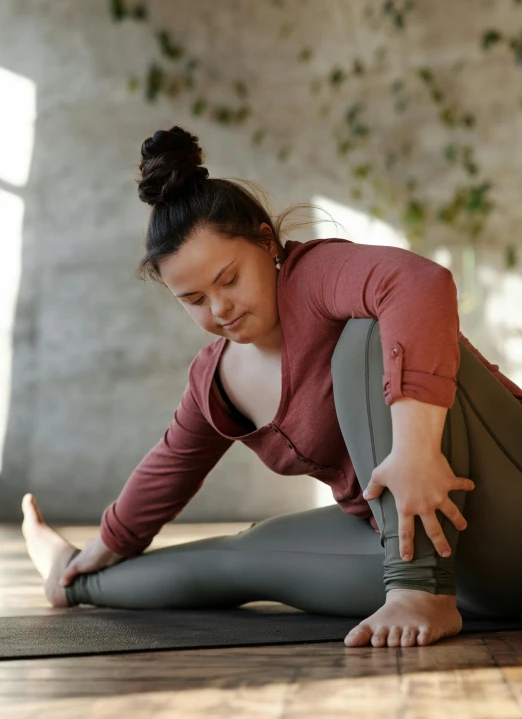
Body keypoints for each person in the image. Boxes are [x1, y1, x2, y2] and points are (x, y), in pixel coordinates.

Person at [21, 125, 522, 648]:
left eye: (230, 279)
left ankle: (419, 589)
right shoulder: (215, 378)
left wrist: (415, 448)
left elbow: (418, 282)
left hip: (504, 506)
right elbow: (169, 466)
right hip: (466, 570)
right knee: (243, 554)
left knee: (366, 333)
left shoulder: (314, 277)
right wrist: (104, 545)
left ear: (266, 242)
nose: (219, 308)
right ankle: (70, 577)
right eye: (193, 299)